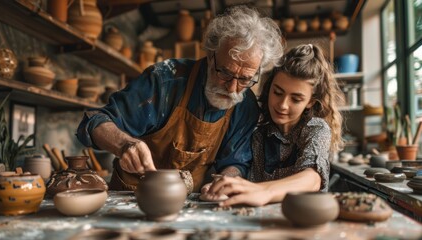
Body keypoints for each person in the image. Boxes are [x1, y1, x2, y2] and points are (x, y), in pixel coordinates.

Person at [76, 5, 284, 192]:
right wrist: (124, 144)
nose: (232, 87)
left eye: (245, 79)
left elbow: (236, 162)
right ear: (211, 54)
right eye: (225, 73)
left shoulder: (245, 106)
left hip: (193, 203)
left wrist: (225, 181)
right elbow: (94, 122)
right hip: (133, 198)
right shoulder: (165, 80)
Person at [205, 44, 345, 206]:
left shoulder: (316, 129)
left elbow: (311, 179)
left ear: (310, 102)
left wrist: (264, 191)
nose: (283, 105)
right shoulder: (256, 126)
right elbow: (237, 164)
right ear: (269, 87)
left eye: (296, 99)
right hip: (255, 218)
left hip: (299, 217)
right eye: (277, 92)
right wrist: (224, 183)